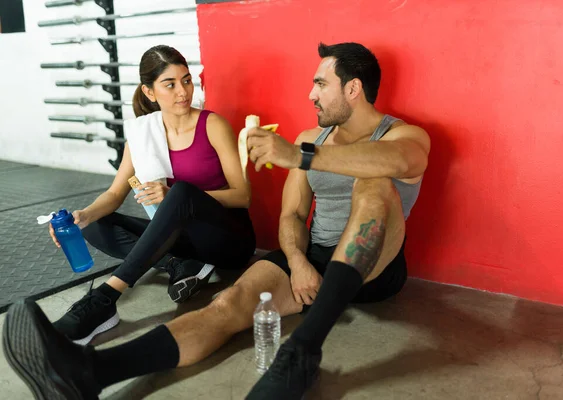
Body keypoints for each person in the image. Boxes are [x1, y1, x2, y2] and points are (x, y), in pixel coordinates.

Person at [2, 42, 429, 400]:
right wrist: (297, 260)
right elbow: (293, 214)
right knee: (227, 304)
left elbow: (399, 161)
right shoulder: (307, 138)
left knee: (374, 184)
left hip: (376, 270)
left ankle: (300, 354)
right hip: (312, 260)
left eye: (320, 83)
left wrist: (300, 156)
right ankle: (90, 372)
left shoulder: (402, 135)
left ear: (353, 88)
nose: (311, 95)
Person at [48, 45, 256, 346]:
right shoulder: (142, 134)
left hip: (227, 240)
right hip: (182, 241)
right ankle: (179, 266)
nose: (182, 91)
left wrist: (175, 196)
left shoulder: (212, 125)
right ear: (150, 92)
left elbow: (243, 196)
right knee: (95, 224)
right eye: (169, 84)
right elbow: (115, 192)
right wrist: (83, 215)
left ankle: (106, 297)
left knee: (182, 193)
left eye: (186, 80)